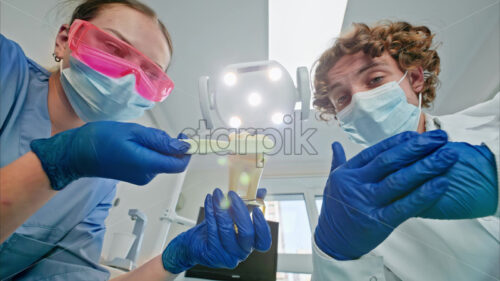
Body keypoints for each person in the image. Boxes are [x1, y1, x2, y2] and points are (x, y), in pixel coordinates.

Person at [0, 0, 271, 280]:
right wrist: (59, 162)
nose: (128, 78)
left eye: (150, 73)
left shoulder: (100, 183)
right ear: (64, 40)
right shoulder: (5, 67)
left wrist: (173, 261)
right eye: (113, 48)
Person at [311, 21, 499, 280]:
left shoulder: (493, 118)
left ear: (415, 78)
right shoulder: (366, 224)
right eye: (342, 98)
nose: (360, 102)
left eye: (375, 79)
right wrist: (333, 258)